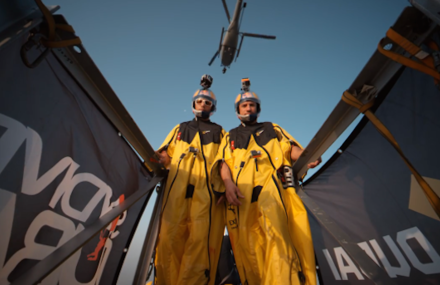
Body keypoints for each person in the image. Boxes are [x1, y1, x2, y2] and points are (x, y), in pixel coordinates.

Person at [210, 78, 321, 285]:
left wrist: (308, 155)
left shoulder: (271, 128)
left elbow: (290, 148)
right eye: (245, 105)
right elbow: (223, 163)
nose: (248, 108)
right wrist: (227, 184)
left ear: (257, 108)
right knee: (250, 249)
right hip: (242, 196)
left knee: (278, 241)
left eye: (252, 105)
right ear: (238, 110)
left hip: (269, 190)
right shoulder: (230, 136)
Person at [154, 75, 225, 285]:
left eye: (208, 102)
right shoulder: (180, 129)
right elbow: (165, 154)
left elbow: (224, 162)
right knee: (170, 239)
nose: (203, 104)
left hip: (206, 192)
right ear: (194, 104)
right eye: (200, 101)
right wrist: (156, 158)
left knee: (199, 240)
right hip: (177, 189)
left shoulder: (220, 132)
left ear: (213, 107)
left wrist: (224, 187)